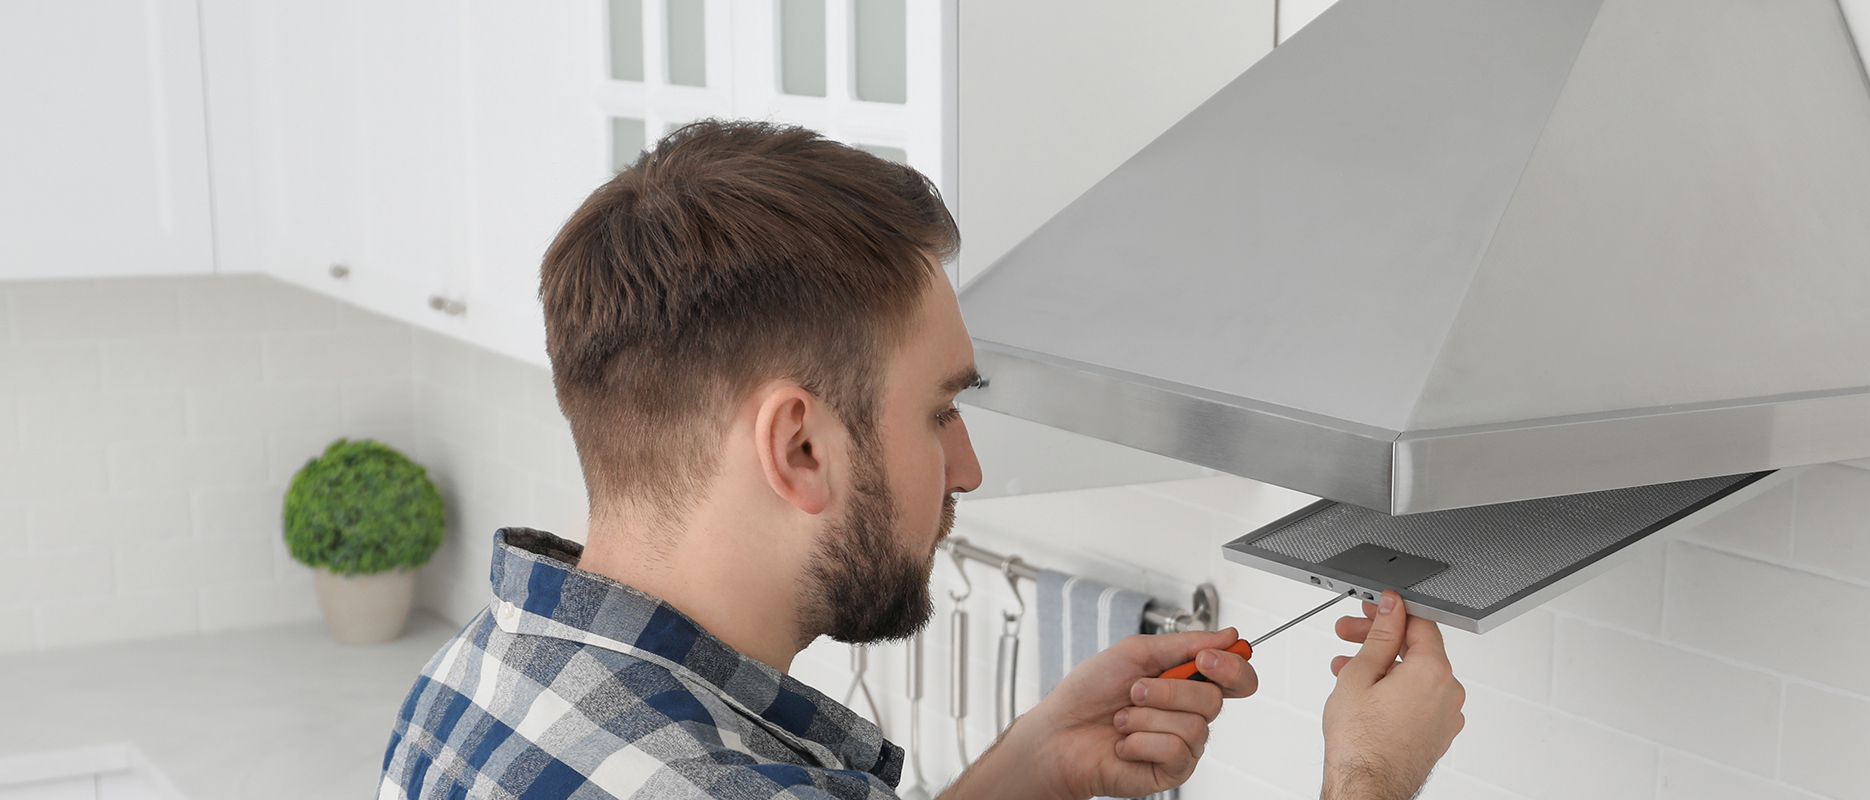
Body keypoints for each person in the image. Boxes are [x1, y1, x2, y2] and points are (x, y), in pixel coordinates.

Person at [378, 120, 1466, 800]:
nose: (968, 466)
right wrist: (1367, 777)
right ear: (800, 446)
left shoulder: (485, 671)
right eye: (939, 412)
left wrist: (1033, 759)